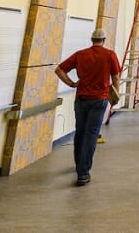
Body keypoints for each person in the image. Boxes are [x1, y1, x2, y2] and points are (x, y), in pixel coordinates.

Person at [55, 28, 120, 186]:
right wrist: (115, 95)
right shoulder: (110, 55)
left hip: (81, 99)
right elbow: (115, 77)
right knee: (92, 134)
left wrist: (72, 83)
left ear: (92, 40)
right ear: (103, 40)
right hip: (99, 100)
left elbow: (59, 70)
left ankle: (79, 165)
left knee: (80, 132)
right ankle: (83, 173)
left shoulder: (80, 54)